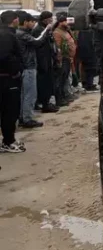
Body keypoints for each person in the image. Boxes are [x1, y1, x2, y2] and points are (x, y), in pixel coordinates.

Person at [15, 11, 53, 128]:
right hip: (28, 67)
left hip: (25, 67)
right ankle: (27, 118)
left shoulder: (20, 33)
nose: (34, 24)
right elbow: (37, 42)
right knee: (30, 95)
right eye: (32, 22)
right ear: (26, 22)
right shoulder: (22, 34)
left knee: (24, 95)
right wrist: (46, 30)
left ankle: (23, 117)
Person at [0, 11, 25, 153]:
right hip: (7, 79)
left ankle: (8, 139)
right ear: (14, 20)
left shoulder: (8, 34)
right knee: (10, 111)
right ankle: (8, 141)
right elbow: (5, 57)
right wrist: (16, 70)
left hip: (6, 77)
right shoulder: (6, 35)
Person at [31, 12, 58, 113]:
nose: (51, 20)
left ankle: (46, 102)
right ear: (45, 19)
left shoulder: (45, 28)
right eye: (50, 18)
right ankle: (44, 104)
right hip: (42, 60)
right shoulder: (39, 30)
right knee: (43, 83)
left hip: (47, 58)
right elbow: (39, 43)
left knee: (48, 82)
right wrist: (47, 31)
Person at [53, 14, 76, 108]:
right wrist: (60, 60)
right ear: (60, 22)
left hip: (68, 58)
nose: (67, 23)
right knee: (60, 80)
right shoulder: (57, 32)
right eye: (65, 21)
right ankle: (59, 99)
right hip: (63, 59)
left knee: (65, 79)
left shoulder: (65, 31)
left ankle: (64, 97)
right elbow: (58, 48)